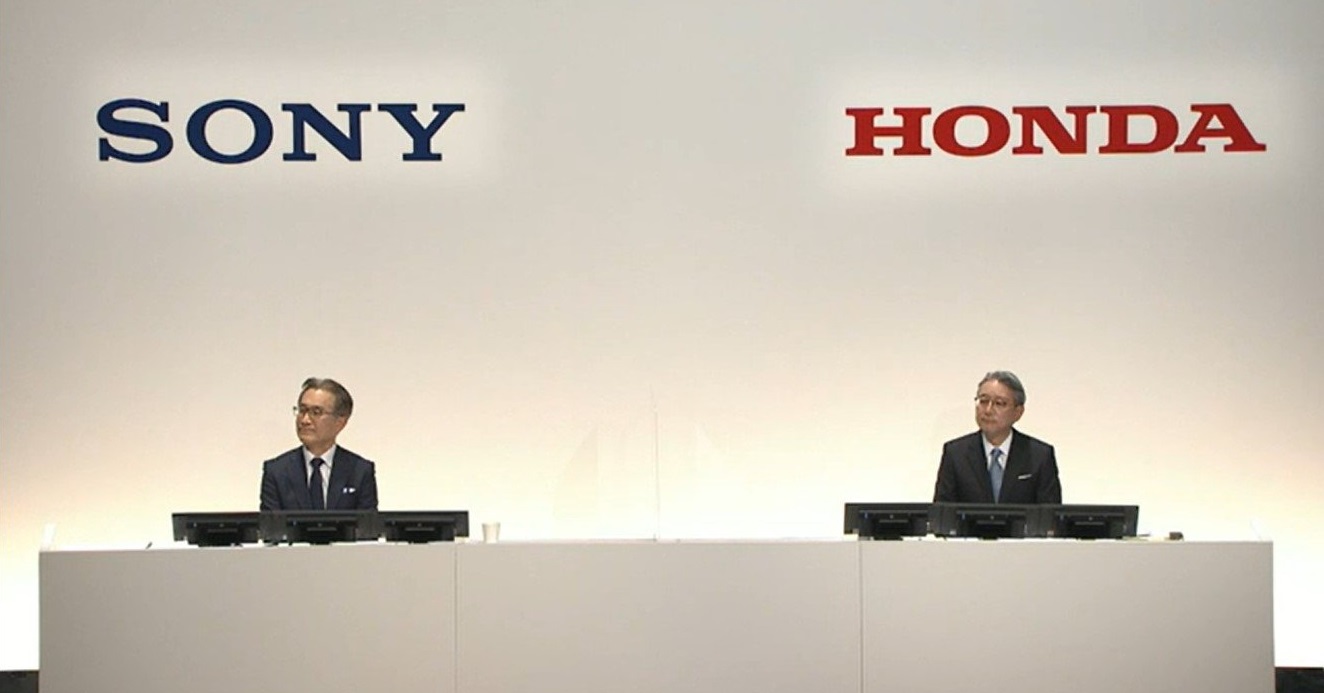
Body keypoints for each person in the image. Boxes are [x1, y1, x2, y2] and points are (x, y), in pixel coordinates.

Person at [933, 370, 1061, 504]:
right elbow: (942, 511)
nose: (988, 410)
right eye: (983, 401)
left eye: (999, 403)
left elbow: (1050, 512)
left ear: (1018, 412)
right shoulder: (956, 454)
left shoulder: (1039, 456)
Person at [260, 377, 379, 511]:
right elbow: (271, 523)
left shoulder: (360, 471)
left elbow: (367, 522)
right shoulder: (277, 471)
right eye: (302, 410)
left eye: (316, 412)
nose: (305, 420)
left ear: (340, 422)